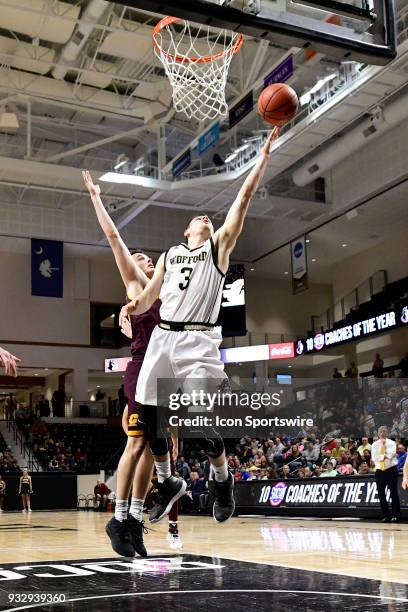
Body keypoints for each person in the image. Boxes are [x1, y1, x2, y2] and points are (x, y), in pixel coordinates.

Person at [120, 128, 280, 525]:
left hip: (198, 342)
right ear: (185, 233)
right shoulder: (171, 254)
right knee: (151, 425)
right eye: (197, 218)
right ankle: (167, 481)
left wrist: (261, 160)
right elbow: (146, 296)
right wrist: (127, 309)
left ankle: (222, 480)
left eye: (207, 217)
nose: (204, 217)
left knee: (196, 423)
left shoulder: (218, 248)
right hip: (163, 339)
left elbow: (241, 201)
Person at [83, 170, 181, 557]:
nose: (144, 260)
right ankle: (119, 517)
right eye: (139, 258)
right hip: (141, 369)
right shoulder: (136, 287)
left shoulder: (166, 293)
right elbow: (113, 238)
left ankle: (134, 520)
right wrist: (95, 197)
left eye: (148, 258)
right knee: (139, 441)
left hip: (165, 372)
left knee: (153, 446)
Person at [371, 426, 400, 523]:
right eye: (381, 431)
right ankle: (386, 515)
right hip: (380, 471)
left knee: (393, 493)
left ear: (387, 433)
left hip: (391, 470)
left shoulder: (391, 443)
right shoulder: (374, 444)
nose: (383, 433)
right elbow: (375, 458)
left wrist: (382, 456)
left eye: (384, 431)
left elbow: (391, 455)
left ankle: (396, 515)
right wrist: (383, 456)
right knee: (381, 494)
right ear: (378, 433)